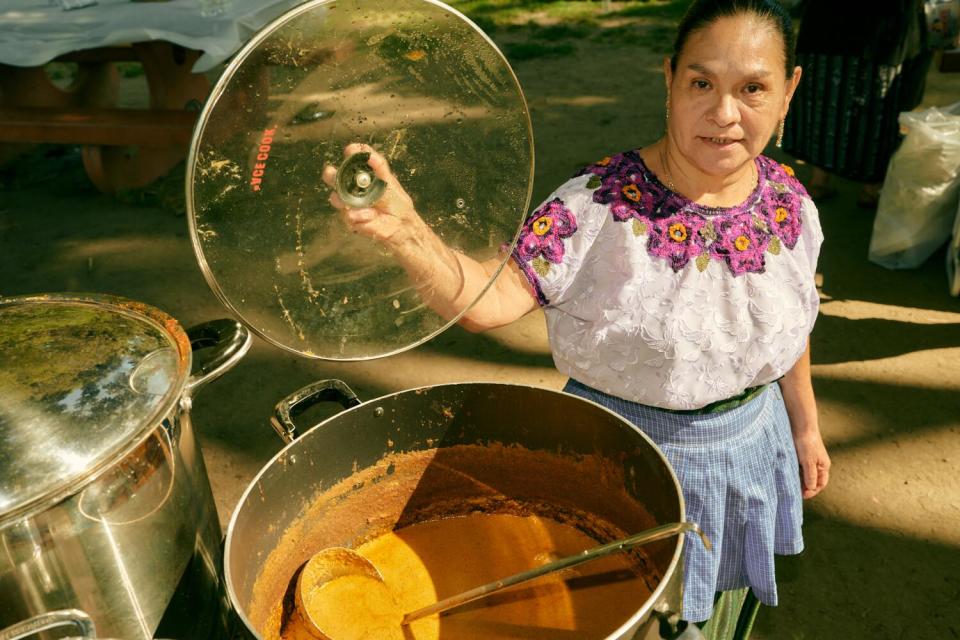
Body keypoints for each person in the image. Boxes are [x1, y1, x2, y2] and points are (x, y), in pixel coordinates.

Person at [323, 1, 831, 637]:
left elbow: (792, 323)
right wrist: (405, 233)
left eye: (752, 89)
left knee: (722, 610)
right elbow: (492, 300)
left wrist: (803, 427)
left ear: (789, 91)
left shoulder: (789, 201)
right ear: (669, 79)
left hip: (755, 450)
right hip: (624, 466)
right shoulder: (599, 205)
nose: (724, 114)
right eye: (701, 83)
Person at [782, 0, 932, 207]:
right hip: (879, 33)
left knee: (823, 106)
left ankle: (820, 180)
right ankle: (870, 189)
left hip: (826, 28)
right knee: (875, 114)